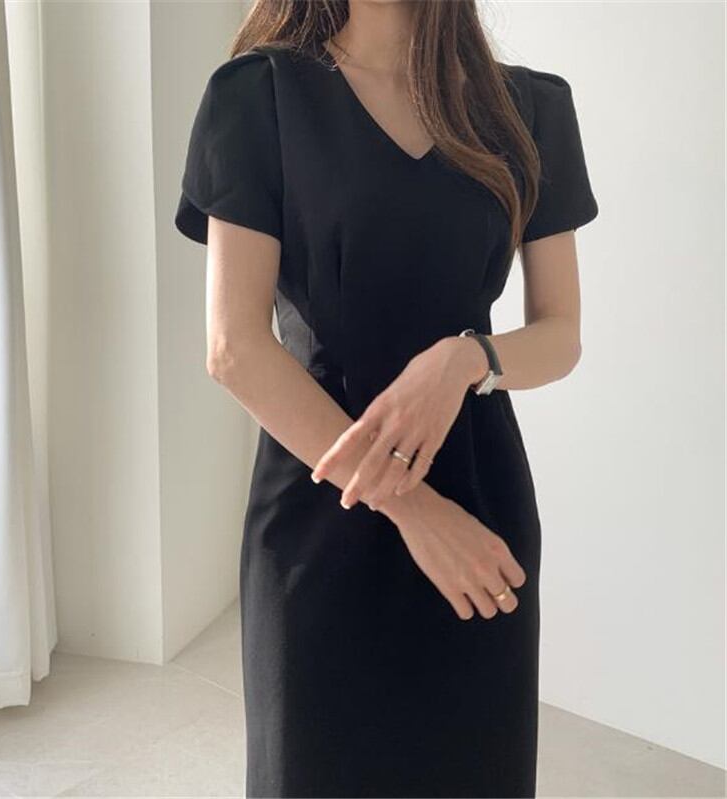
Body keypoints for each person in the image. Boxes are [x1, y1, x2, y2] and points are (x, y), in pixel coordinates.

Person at [174, 1, 599, 796]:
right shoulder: (257, 96)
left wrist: (465, 359)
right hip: (322, 502)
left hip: (480, 499)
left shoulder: (531, 108)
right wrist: (414, 509)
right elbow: (234, 349)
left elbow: (561, 333)